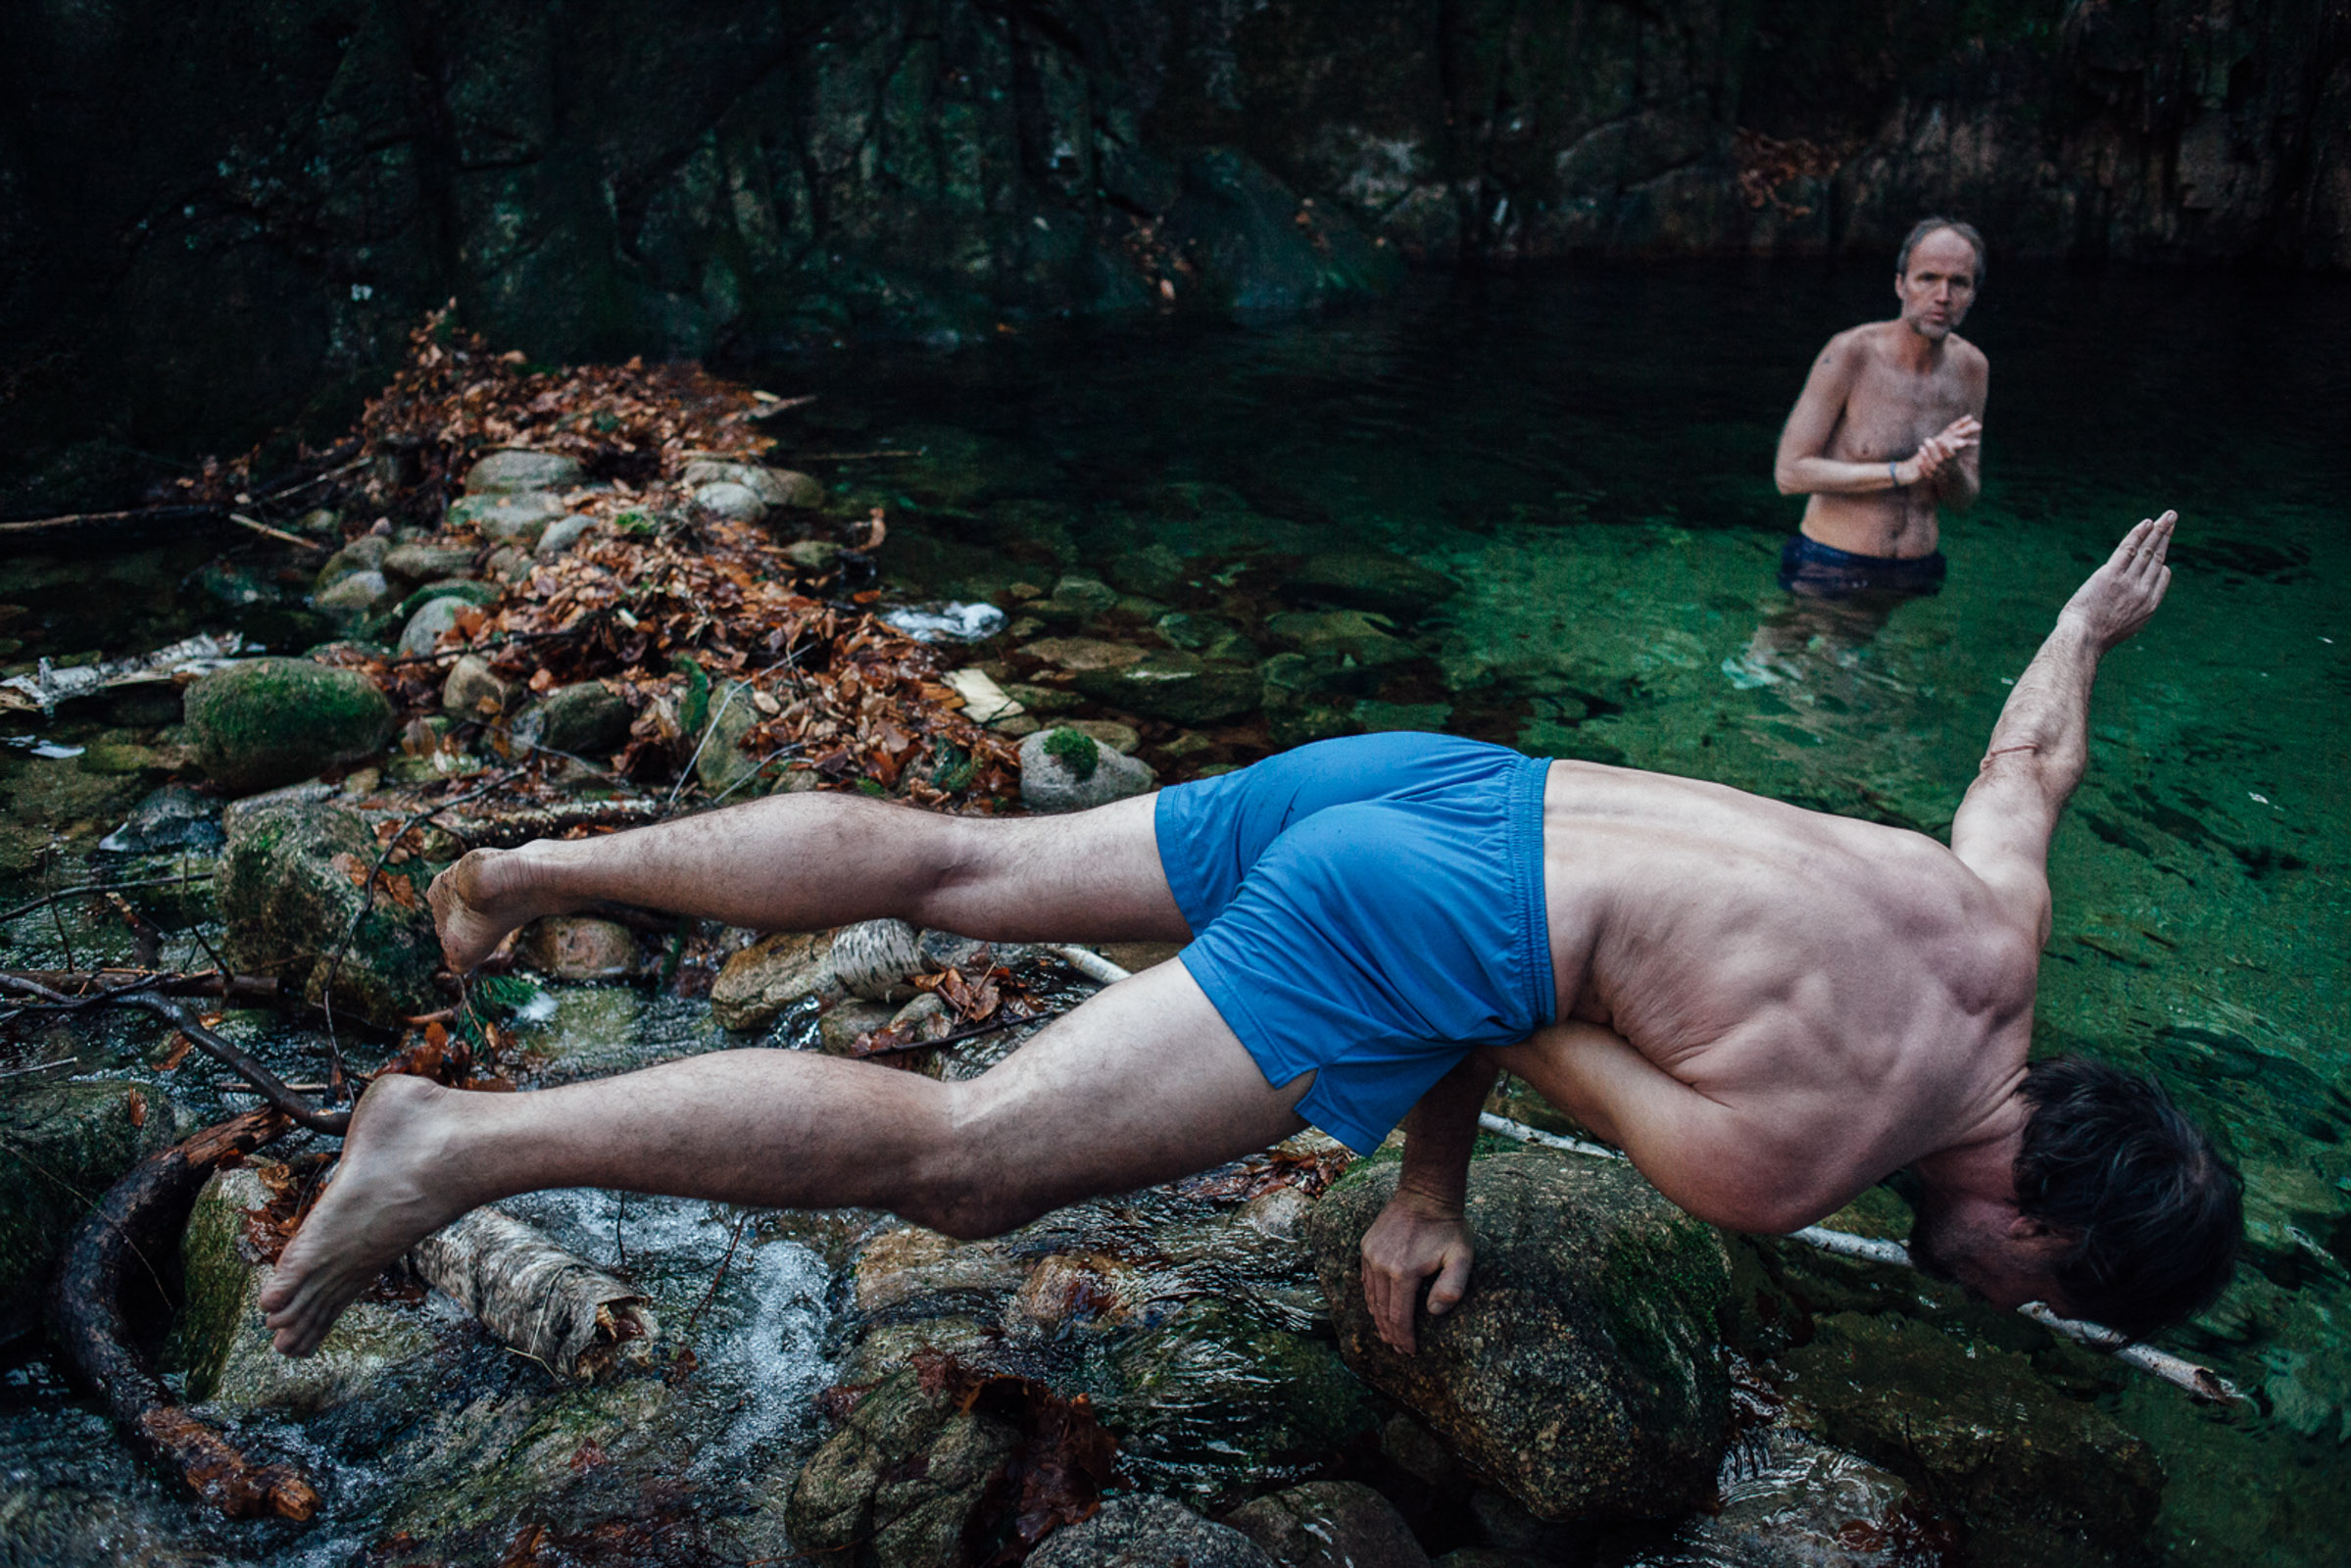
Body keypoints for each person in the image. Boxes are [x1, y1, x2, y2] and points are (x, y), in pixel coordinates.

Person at [260, 514, 2238, 1362]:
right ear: (2047, 1225)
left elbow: (2022, 757)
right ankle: (458, 1150)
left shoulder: (1994, 923)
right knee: (961, 1159)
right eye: (2032, 1297)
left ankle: (531, 864)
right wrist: (1422, 1191)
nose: (1994, 1301)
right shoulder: (1788, 1160)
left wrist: (2073, 625)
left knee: (953, 862)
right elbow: (1496, 998)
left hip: (1460, 777)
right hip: (1428, 897)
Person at [1770, 218, 1990, 603]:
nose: (1942, 295)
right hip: (1830, 561)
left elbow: (1965, 500)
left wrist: (1947, 470)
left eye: (1958, 283)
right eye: (1928, 278)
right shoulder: (1851, 353)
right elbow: (1789, 474)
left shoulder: (1973, 368)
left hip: (1917, 571)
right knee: (1781, 660)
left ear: (1972, 294)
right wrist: (1899, 472)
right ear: (1900, 284)